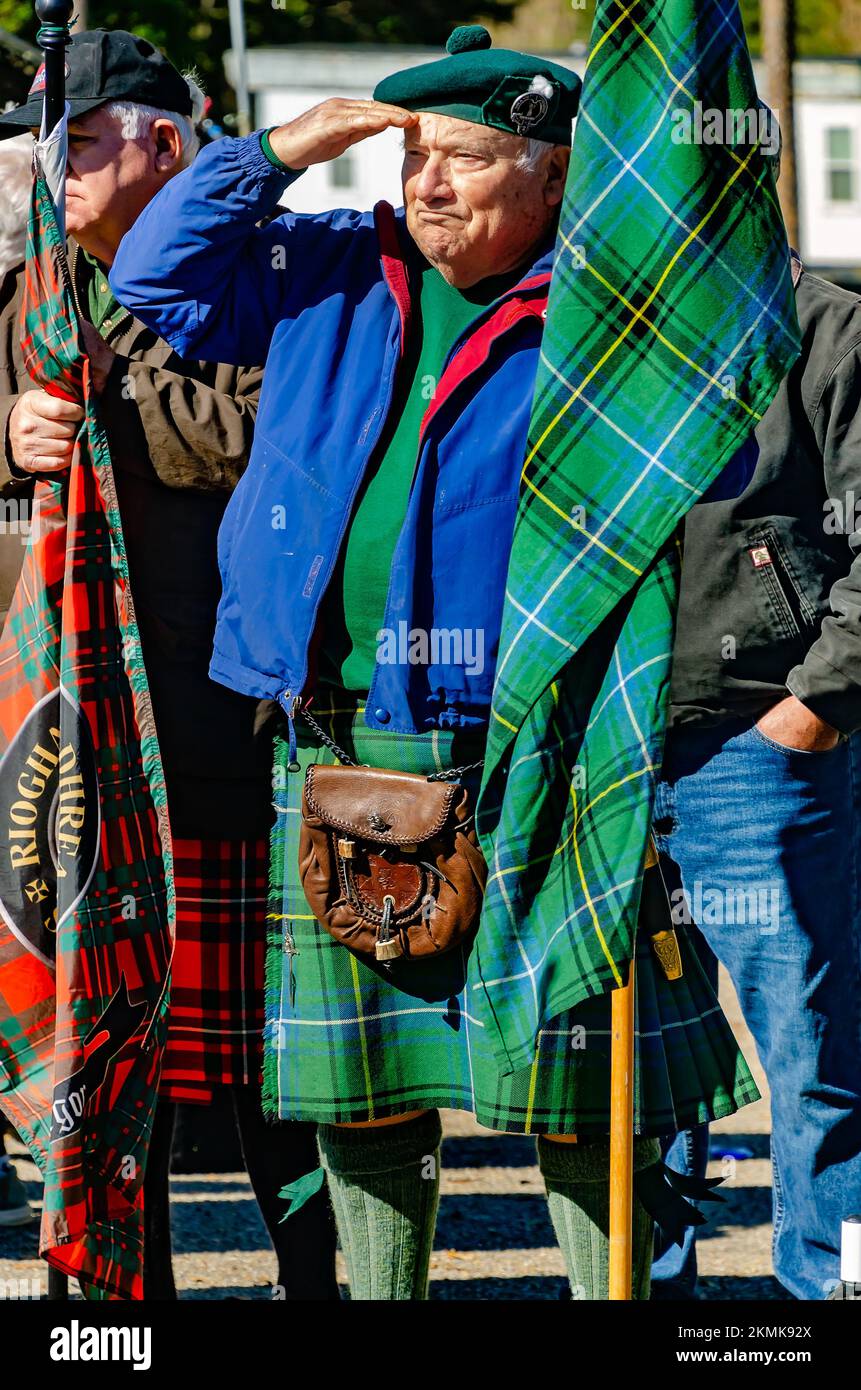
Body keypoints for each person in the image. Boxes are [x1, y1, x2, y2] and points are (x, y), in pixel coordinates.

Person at [109, 24, 760, 1301]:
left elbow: (724, 380)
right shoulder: (329, 266)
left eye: (463, 156)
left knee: (576, 1097)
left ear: (556, 173)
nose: (429, 182)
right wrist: (291, 148)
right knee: (359, 1106)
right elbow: (152, 272)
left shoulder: (607, 309)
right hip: (343, 736)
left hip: (543, 744)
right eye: (413, 153)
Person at [0, 29, 337, 1299]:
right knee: (89, 1051)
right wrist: (11, 421)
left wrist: (95, 408)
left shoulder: (271, 276)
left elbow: (239, 433)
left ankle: (321, 1284)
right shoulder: (36, 290)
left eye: (82, 143)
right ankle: (110, 1315)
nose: (58, 169)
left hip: (227, 738)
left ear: (169, 148)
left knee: (270, 1074)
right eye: (48, 145)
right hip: (76, 753)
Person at [649, 245, 861, 1302]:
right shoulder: (575, 319)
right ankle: (644, 1291)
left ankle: (833, 1293)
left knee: (816, 1050)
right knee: (635, 1058)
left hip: (761, 747)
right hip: (600, 746)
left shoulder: (829, 326)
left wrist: (818, 703)